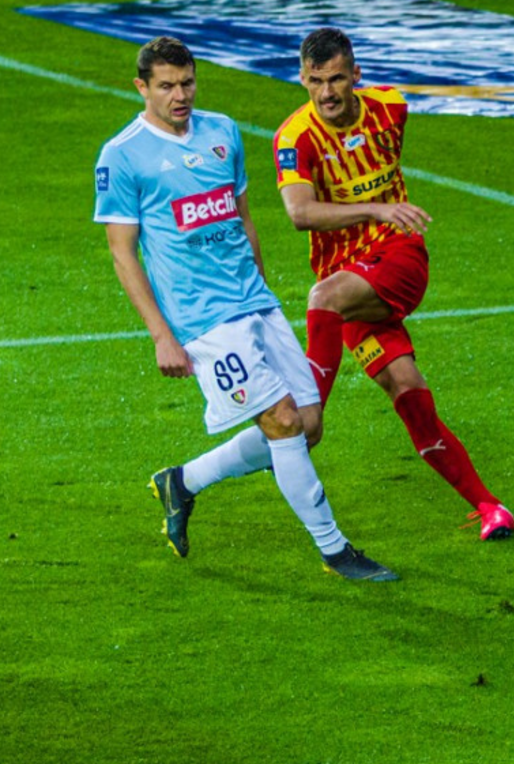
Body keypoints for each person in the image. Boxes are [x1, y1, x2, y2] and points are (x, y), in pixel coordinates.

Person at [94, 35, 396, 582]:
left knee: (307, 426)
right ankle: (335, 551)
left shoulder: (222, 132)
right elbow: (122, 252)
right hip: (200, 317)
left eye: (187, 83)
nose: (180, 96)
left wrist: (260, 285)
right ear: (142, 88)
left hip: (253, 299)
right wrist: (161, 334)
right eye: (166, 87)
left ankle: (181, 482)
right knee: (282, 422)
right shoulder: (123, 155)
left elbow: (242, 216)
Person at [272, 27, 514, 541]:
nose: (327, 92)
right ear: (302, 79)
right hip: (350, 288)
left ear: (356, 75)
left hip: (398, 257)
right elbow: (299, 213)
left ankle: (308, 417)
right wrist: (376, 206)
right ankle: (490, 507)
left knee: (322, 298)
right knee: (408, 390)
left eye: (337, 79)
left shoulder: (391, 109)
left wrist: (383, 216)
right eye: (316, 81)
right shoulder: (294, 139)